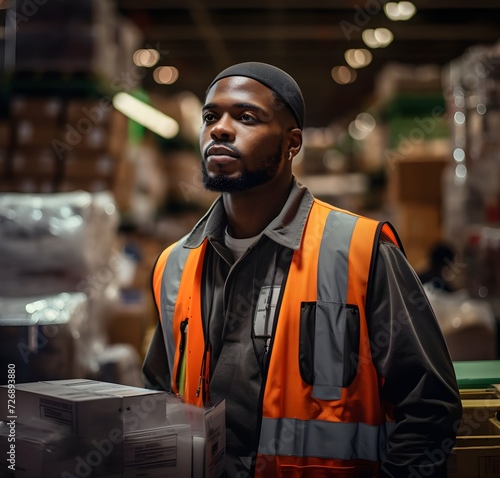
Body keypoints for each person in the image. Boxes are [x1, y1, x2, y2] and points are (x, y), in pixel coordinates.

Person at [143, 62, 462, 477]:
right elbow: (158, 402)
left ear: (292, 143)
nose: (219, 129)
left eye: (245, 117)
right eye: (210, 117)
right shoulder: (174, 265)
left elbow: (429, 409)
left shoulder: (361, 251)